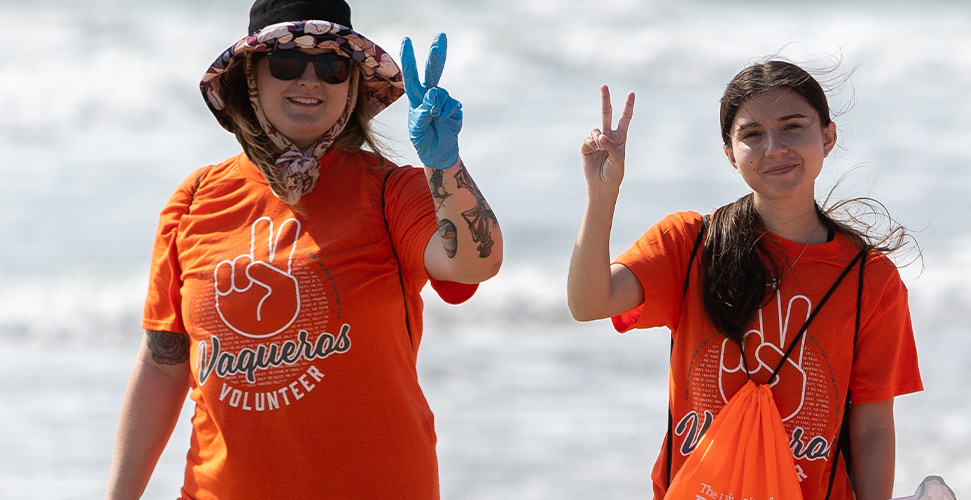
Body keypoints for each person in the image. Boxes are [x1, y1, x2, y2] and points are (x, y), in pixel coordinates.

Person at [104, 0, 503, 498]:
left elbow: (475, 262)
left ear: (353, 84)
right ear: (250, 76)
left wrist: (444, 164)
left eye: (333, 65)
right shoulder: (195, 198)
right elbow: (164, 363)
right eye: (287, 62)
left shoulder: (391, 191)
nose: (310, 80)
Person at [565, 61, 921, 500]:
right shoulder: (690, 244)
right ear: (730, 154)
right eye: (752, 134)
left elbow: (873, 427)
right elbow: (588, 303)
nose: (774, 148)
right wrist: (602, 194)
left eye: (793, 127)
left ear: (827, 137)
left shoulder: (871, 279)